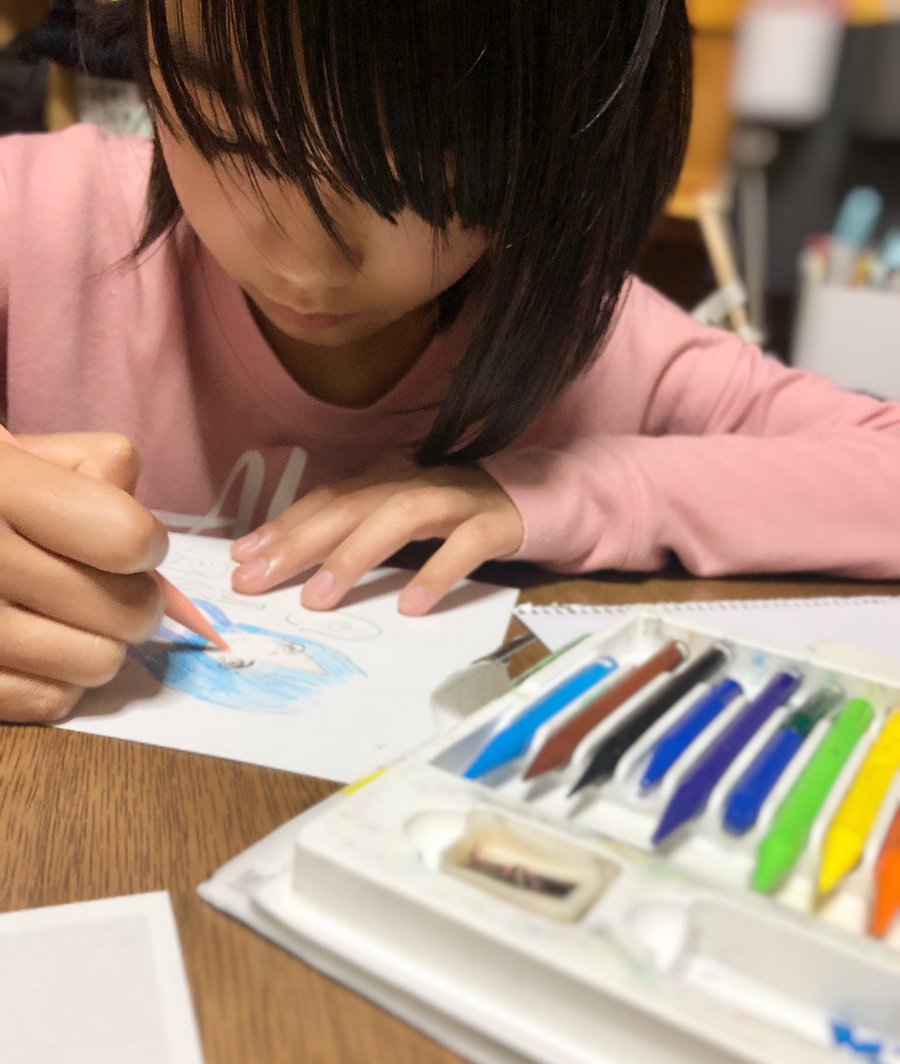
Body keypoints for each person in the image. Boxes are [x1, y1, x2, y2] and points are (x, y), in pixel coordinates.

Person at [0, 0, 898, 724]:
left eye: (423, 178)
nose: (306, 263)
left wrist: (561, 485)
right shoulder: (33, 214)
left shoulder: (597, 348)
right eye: (230, 135)